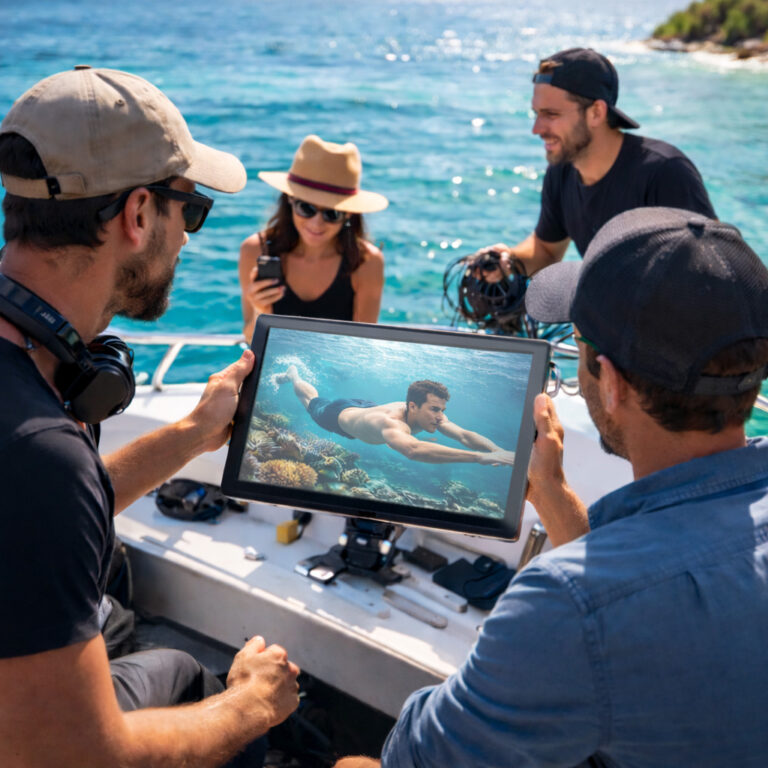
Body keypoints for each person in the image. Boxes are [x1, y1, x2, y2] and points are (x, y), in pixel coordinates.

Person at [333, 207, 768, 767]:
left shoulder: (566, 606)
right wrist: (553, 495)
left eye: (579, 343)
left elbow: (417, 758)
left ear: (608, 382)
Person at [0, 66, 300, 767]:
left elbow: (45, 506)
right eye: (188, 210)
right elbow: (74, 756)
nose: (189, 238)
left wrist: (196, 433)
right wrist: (251, 702)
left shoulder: (30, 422)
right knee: (201, 684)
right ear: (138, 215)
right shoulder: (41, 458)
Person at [479, 47, 716, 277]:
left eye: (551, 114)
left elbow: (715, 270)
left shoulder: (665, 172)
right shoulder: (562, 171)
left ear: (596, 113)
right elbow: (546, 251)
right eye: (536, 113)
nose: (536, 129)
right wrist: (508, 261)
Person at [239, 134, 388, 340]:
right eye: (306, 208)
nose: (316, 223)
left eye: (331, 213)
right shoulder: (254, 250)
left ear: (348, 214)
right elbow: (249, 338)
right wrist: (260, 310)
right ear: (289, 200)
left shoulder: (367, 262)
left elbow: (362, 344)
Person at [277, 366, 515, 465]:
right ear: (413, 406)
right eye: (434, 409)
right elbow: (414, 450)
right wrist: (479, 458)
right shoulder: (391, 423)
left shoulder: (429, 414)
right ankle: (293, 375)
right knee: (311, 401)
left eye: (442, 410)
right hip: (340, 414)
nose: (440, 416)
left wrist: (496, 451)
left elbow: (464, 435)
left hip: (368, 407)